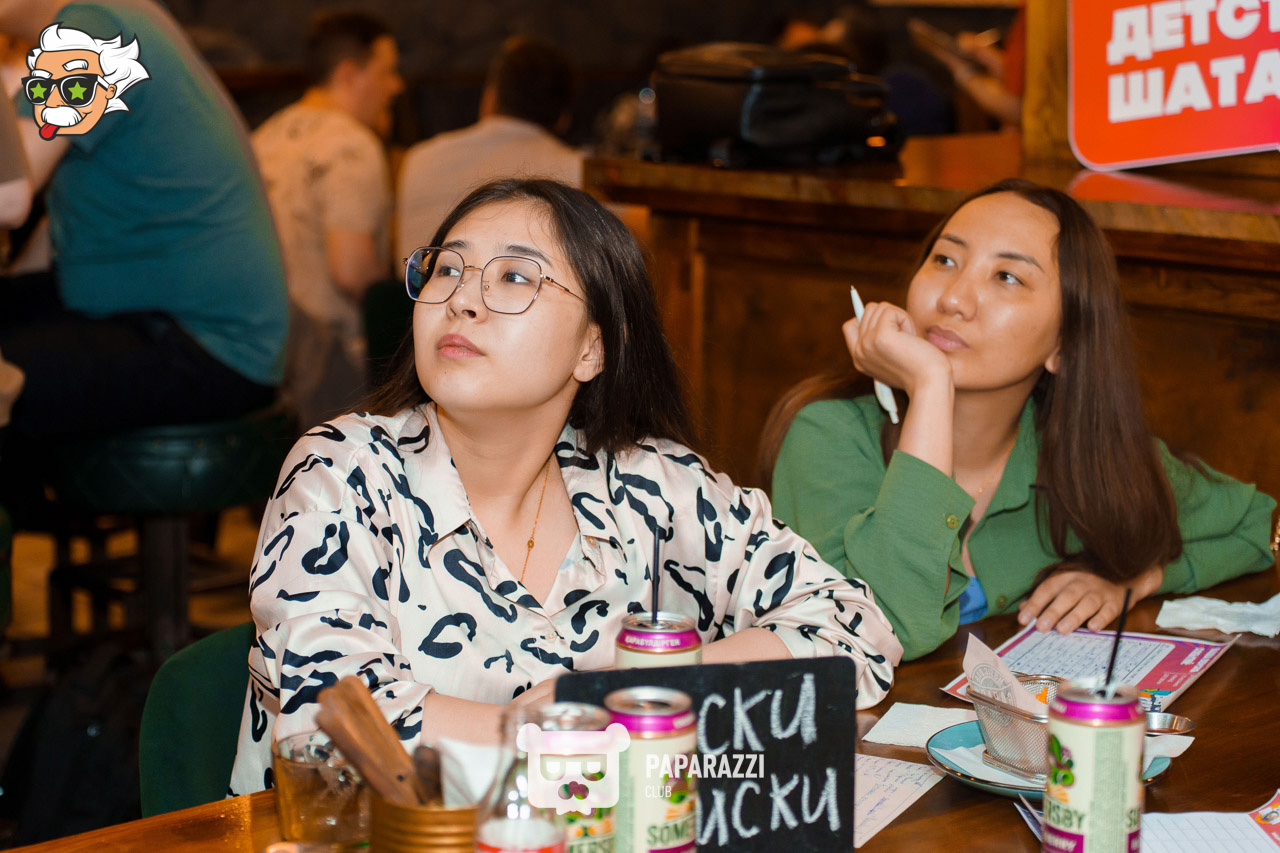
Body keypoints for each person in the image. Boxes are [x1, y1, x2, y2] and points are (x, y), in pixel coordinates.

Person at [229, 179, 902, 793]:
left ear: (592, 348)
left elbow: (853, 630)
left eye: (515, 276)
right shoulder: (342, 475)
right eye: (448, 269)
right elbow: (331, 725)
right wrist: (539, 727)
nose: (462, 299)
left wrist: (642, 688)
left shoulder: (650, 486)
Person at [768, 179, 1276, 661]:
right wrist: (930, 386)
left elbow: (1260, 527)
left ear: (1065, 345)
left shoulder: (1088, 459)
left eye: (1007, 276)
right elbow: (880, 632)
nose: (953, 299)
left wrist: (1136, 580)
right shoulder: (828, 436)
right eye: (944, 259)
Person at [0, 0, 286, 468]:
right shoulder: (109, 15)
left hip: (207, 344)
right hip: (163, 317)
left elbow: (8, 192)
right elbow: (57, 218)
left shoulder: (93, 27)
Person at [253, 11, 402, 431]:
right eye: (387, 72)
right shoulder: (352, 144)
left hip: (264, 356)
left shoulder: (262, 137)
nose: (397, 86)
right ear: (348, 74)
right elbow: (351, 271)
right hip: (328, 366)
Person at [395, 36, 581, 262]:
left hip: (417, 284)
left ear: (490, 99)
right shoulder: (577, 171)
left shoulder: (420, 158)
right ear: (564, 118)